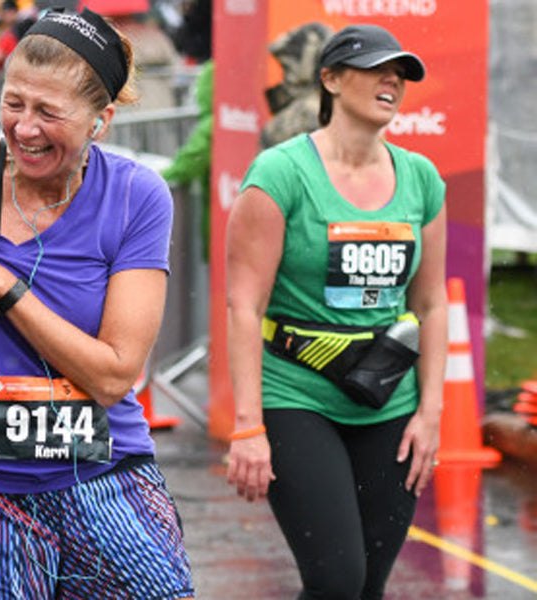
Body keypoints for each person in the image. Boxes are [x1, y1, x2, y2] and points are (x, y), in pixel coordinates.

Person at [0, 9, 192, 597]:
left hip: (105, 472)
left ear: (102, 120)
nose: (24, 129)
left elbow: (114, 373)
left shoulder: (134, 195)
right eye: (13, 103)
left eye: (49, 113)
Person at [225, 24, 446, 599]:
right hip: (296, 394)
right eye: (376, 68)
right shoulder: (280, 174)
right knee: (336, 580)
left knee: (367, 586)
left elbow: (431, 302)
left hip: (389, 399)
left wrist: (432, 412)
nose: (392, 80)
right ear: (329, 78)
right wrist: (248, 426)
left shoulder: (421, 179)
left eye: (400, 73)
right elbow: (243, 305)